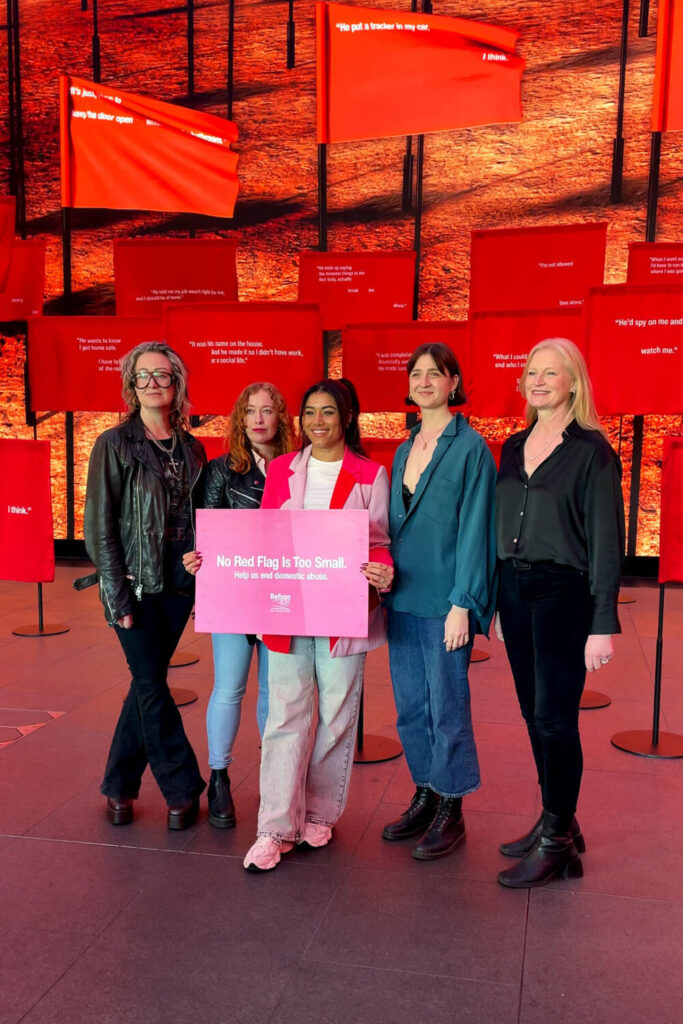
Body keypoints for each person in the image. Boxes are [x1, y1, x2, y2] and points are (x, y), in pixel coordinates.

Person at [243, 379, 393, 872]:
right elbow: (265, 535)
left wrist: (382, 568)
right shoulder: (284, 468)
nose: (318, 422)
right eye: (309, 413)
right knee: (285, 714)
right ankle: (274, 827)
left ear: (346, 417)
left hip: (343, 611)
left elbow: (377, 540)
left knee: (334, 713)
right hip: (288, 610)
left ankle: (321, 813)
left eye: (328, 412)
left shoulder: (371, 474)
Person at [495, 337, 624, 888]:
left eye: (552, 372)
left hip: (562, 594)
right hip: (514, 590)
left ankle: (555, 843)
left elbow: (606, 542)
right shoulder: (511, 445)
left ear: (574, 382)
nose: (539, 380)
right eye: (531, 372)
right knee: (531, 713)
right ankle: (559, 820)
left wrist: (602, 623)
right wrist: (497, 603)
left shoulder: (593, 451)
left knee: (554, 717)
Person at [84, 342, 206, 830]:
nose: (153, 384)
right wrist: (116, 596)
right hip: (135, 584)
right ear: (131, 387)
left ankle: (118, 786)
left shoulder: (193, 447)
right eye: (143, 377)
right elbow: (100, 528)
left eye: (162, 375)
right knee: (153, 684)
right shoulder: (113, 445)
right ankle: (183, 787)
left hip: (179, 585)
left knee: (145, 682)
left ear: (177, 383)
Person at [382, 343, 497, 860]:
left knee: (448, 707)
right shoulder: (404, 448)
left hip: (445, 602)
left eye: (436, 374)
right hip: (401, 597)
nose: (424, 381)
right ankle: (426, 790)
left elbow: (477, 530)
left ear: (454, 383)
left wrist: (462, 603)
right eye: (417, 374)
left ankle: (452, 805)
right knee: (410, 708)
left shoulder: (470, 447)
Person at [182, 383, 294, 828]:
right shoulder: (221, 471)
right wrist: (196, 559)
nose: (260, 419)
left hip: (282, 596)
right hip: (233, 596)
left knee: (274, 691)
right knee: (229, 688)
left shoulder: (297, 468)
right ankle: (220, 776)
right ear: (240, 419)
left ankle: (274, 779)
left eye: (268, 410)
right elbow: (206, 532)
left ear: (281, 418)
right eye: (251, 411)